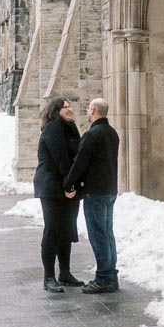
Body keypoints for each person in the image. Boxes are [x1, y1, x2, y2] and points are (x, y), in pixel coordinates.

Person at [63, 98, 121, 294]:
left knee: (99, 237)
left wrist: (68, 183)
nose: (88, 112)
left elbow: (80, 163)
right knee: (107, 234)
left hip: (95, 192)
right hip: (109, 190)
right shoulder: (112, 133)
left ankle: (103, 278)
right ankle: (111, 276)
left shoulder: (92, 134)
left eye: (89, 109)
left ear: (94, 110)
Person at [33, 95, 84, 293]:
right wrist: (68, 185)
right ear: (56, 111)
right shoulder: (53, 128)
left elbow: (77, 156)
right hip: (52, 187)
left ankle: (65, 272)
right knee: (53, 230)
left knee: (66, 229)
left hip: (66, 185)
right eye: (65, 107)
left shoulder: (69, 127)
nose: (70, 109)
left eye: (70, 106)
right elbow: (61, 159)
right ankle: (48, 277)